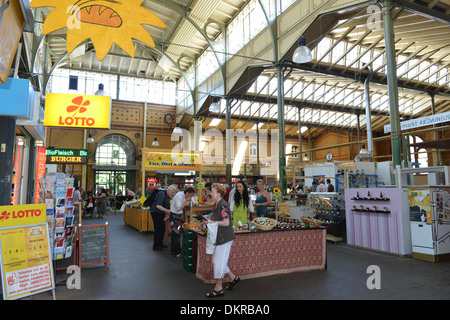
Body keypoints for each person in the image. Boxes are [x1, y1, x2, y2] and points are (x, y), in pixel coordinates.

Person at [204, 183, 239, 298]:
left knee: (218, 263)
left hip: (224, 238)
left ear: (219, 193)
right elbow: (217, 216)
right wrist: (209, 218)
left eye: (213, 191)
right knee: (218, 261)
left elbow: (226, 222)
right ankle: (233, 278)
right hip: (221, 237)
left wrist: (212, 222)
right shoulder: (218, 204)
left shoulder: (223, 205)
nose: (211, 193)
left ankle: (218, 288)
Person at [150, 185, 177, 251]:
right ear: (169, 190)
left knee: (161, 229)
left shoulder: (167, 196)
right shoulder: (162, 194)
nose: (172, 194)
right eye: (172, 192)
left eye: (174, 193)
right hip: (156, 213)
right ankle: (156, 246)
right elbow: (158, 206)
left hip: (160, 213)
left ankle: (160, 244)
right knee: (158, 229)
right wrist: (167, 211)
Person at [169, 187, 195, 256]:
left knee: (177, 233)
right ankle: (175, 252)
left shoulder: (182, 196)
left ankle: (175, 251)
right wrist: (186, 201)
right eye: (191, 195)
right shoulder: (179, 196)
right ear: (187, 193)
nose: (191, 196)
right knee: (176, 233)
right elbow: (179, 208)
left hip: (177, 217)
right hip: (174, 217)